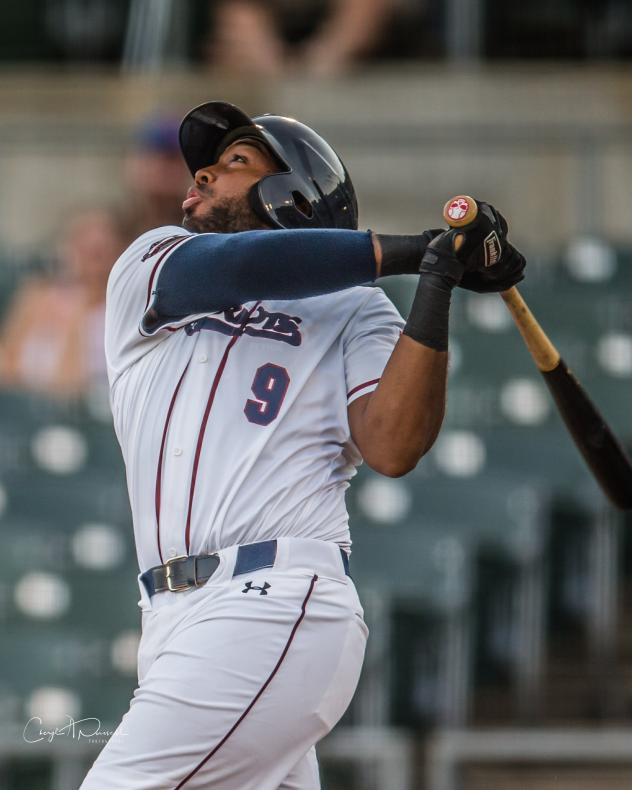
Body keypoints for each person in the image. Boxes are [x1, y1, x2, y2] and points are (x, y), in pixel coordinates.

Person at [81, 101, 525, 789]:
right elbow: (232, 270)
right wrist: (416, 249)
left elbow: (392, 445)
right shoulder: (152, 260)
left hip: (270, 598)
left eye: (233, 163)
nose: (200, 175)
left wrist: (438, 280)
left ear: (296, 193)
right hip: (170, 619)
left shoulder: (357, 309)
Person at [0, 206, 126, 399]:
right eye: (81, 249)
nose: (88, 264)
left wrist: (78, 311)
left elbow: (69, 386)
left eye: (97, 254)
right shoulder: (36, 295)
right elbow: (7, 360)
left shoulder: (117, 316)